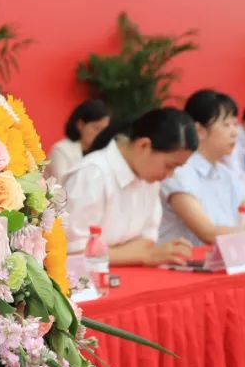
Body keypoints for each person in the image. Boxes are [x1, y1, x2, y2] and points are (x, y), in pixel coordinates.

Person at [64, 108, 196, 266]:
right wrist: (140, 255)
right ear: (144, 145)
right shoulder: (92, 174)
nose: (170, 175)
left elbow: (147, 239)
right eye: (169, 166)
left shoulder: (149, 178)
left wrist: (131, 254)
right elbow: (73, 251)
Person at [159, 90, 245, 247]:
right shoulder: (179, 171)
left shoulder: (226, 174)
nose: (234, 133)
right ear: (199, 131)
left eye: (235, 124)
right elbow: (208, 232)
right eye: (226, 125)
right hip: (186, 260)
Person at [46, 99, 110, 182]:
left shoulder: (102, 154)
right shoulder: (61, 150)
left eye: (104, 130)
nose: (100, 134)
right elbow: (62, 185)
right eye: (96, 128)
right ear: (80, 124)